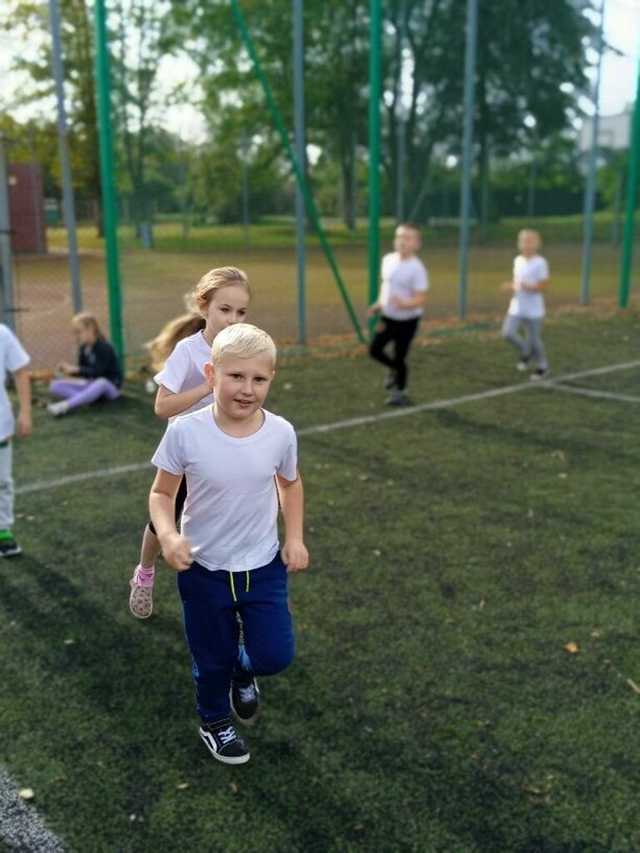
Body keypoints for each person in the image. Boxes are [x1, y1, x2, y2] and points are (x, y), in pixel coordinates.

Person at [149, 323, 309, 765]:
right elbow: (162, 494)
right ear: (211, 373)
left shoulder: (280, 432)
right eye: (235, 377)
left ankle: (245, 669)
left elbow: (290, 485)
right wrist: (168, 535)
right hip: (203, 569)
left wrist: (293, 538)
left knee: (273, 655)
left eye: (258, 379)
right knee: (210, 656)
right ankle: (215, 721)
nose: (246, 389)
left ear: (271, 379)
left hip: (262, 566)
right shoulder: (185, 431)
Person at [128, 267, 251, 620]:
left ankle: (231, 596)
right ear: (204, 308)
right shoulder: (188, 350)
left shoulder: (245, 347)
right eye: (225, 310)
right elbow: (162, 406)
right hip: (185, 453)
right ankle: (145, 573)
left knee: (227, 521)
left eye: (241, 312)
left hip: (227, 450)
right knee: (164, 519)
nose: (233, 319)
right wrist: (207, 388)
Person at [368, 222, 429, 406]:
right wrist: (379, 304)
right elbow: (386, 286)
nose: (402, 241)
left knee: (400, 355)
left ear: (417, 244)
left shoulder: (417, 268)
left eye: (408, 238)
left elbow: (421, 299)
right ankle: (394, 369)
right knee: (374, 350)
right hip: (388, 317)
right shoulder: (388, 260)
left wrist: (405, 304)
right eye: (400, 236)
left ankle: (399, 393)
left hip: (408, 321)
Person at [48, 313, 122, 416]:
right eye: (75, 333)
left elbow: (98, 372)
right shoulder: (83, 348)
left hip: (110, 388)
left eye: (79, 332)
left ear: (90, 329)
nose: (77, 336)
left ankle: (66, 405)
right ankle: (88, 398)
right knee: (55, 385)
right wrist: (68, 371)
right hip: (91, 384)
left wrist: (76, 369)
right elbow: (84, 372)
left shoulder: (104, 347)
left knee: (101, 382)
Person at [501, 229, 550, 380]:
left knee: (535, 339)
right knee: (507, 333)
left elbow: (543, 287)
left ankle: (543, 366)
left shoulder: (540, 263)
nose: (526, 244)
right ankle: (525, 351)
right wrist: (511, 286)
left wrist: (528, 286)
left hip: (534, 310)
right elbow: (517, 283)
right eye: (523, 241)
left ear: (537, 244)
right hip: (516, 307)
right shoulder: (517, 260)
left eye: (530, 241)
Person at [0, 324, 32, 557]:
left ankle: (3, 531)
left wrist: (25, 412)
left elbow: (20, 371)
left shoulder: (2, 334)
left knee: (2, 481)